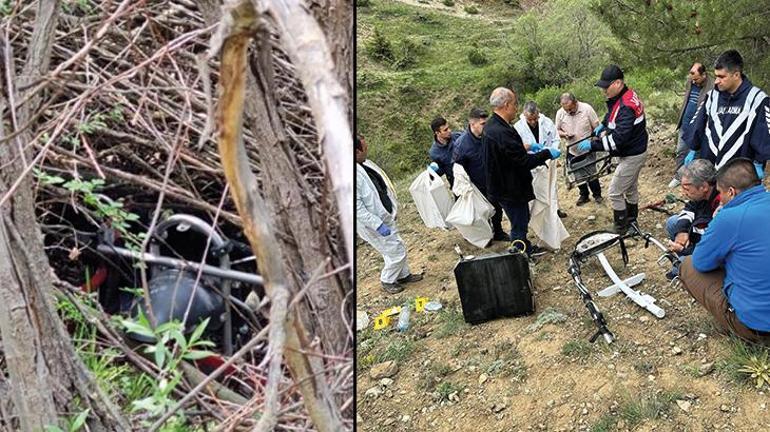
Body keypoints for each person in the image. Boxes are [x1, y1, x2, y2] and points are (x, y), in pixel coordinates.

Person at [679, 158, 770, 343]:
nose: (720, 198)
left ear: (731, 191)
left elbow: (702, 263)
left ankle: (739, 331)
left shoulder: (729, 217)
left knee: (688, 265)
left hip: (759, 327)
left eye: (720, 193)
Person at [482, 87, 562, 257]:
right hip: (510, 187)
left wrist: (529, 146)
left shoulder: (492, 126)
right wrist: (546, 153)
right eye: (514, 104)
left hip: (502, 184)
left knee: (520, 219)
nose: (516, 109)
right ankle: (519, 255)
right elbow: (523, 162)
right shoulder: (501, 132)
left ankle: (525, 246)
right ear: (506, 105)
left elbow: (509, 153)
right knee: (519, 222)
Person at [578, 65, 648, 234]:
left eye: (606, 87)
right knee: (630, 188)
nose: (604, 91)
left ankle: (621, 227)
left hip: (632, 153)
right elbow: (612, 112)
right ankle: (632, 223)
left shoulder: (626, 106)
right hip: (634, 149)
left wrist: (593, 145)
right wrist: (603, 124)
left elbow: (617, 140)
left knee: (615, 192)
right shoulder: (624, 96)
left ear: (618, 83)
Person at [683, 50, 770, 176]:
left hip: (740, 173)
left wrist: (758, 162)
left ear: (736, 75)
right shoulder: (712, 97)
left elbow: (763, 135)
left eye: (721, 77)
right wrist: (693, 149)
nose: (717, 81)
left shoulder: (757, 99)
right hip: (710, 169)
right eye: (716, 76)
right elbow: (698, 124)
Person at [356, 134, 423, 294]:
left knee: (394, 245)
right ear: (357, 151)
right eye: (364, 148)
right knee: (396, 251)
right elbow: (357, 209)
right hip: (373, 224)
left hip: (385, 217)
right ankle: (387, 280)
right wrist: (377, 224)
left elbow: (381, 187)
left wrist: (391, 209)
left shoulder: (364, 165)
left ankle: (403, 275)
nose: (367, 150)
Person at [513, 101, 569, 250]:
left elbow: (555, 138)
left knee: (550, 195)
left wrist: (552, 151)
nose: (532, 122)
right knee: (538, 199)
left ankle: (552, 220)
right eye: (529, 119)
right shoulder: (518, 128)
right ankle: (540, 223)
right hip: (531, 167)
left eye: (535, 119)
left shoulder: (546, 122)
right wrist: (532, 148)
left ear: (538, 114)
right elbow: (516, 149)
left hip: (548, 164)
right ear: (524, 116)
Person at [452, 108, 508, 241]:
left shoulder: (489, 136)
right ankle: (485, 236)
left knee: (496, 208)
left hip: (493, 180)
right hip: (477, 185)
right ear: (473, 124)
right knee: (481, 213)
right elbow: (458, 171)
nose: (486, 126)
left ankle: (498, 232)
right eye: (483, 124)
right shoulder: (462, 145)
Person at [664, 159, 720, 279]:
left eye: (687, 189)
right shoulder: (701, 196)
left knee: (685, 261)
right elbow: (689, 208)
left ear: (704, 187)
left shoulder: (720, 204)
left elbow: (712, 244)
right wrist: (682, 231)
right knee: (673, 222)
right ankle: (681, 263)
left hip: (712, 249)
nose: (683, 193)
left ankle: (683, 268)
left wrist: (685, 250)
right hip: (700, 235)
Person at [668, 62, 714, 188]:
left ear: (704, 75)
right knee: (680, 151)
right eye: (692, 79)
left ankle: (693, 181)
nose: (694, 81)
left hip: (698, 126)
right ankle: (678, 176)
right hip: (685, 123)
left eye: (697, 78)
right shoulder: (691, 81)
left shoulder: (712, 86)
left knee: (696, 154)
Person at [555, 92, 604, 206]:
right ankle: (584, 195)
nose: (568, 112)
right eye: (566, 110)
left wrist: (596, 141)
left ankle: (597, 195)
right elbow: (556, 130)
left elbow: (597, 127)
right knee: (577, 174)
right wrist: (564, 134)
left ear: (575, 102)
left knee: (591, 172)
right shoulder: (560, 113)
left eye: (571, 109)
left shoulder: (587, 109)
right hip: (572, 149)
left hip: (588, 148)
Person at [429, 117, 462, 188]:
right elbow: (440, 170)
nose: (449, 131)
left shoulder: (458, 137)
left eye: (448, 128)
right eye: (445, 130)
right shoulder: (434, 153)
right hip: (457, 184)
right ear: (437, 133)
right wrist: (431, 174)